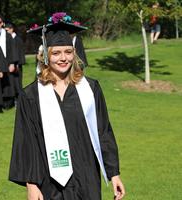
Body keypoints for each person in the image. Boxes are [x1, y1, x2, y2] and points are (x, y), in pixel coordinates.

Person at [9, 15, 125, 200]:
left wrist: (114, 173)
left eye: (68, 52)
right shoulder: (31, 96)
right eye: (56, 53)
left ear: (74, 53)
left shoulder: (90, 89)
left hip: (86, 176)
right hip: (50, 181)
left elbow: (103, 132)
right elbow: (27, 141)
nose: (63, 58)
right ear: (46, 56)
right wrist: (31, 184)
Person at [0, 13, 18, 109]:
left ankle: (8, 102)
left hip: (6, 62)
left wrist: (12, 63)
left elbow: (12, 49)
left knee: (7, 83)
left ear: (3, 23)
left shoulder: (7, 35)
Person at [4, 22, 26, 103]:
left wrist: (17, 64)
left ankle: (19, 100)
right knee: (10, 83)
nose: (5, 32)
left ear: (11, 29)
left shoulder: (17, 39)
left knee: (17, 83)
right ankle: (10, 100)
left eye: (6, 30)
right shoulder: (6, 39)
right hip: (8, 64)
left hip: (17, 65)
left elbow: (20, 53)